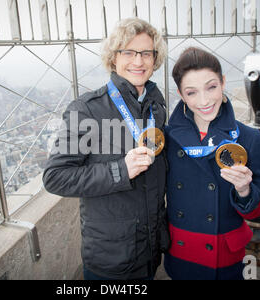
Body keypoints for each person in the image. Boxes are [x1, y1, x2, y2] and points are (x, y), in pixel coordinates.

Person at [42, 18, 170, 280]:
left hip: (150, 249)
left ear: (155, 59)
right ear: (114, 58)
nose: (138, 61)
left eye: (146, 53)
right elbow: (55, 177)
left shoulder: (156, 104)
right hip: (111, 258)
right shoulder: (87, 109)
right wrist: (121, 170)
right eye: (129, 52)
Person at [164, 47, 260, 280]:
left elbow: (255, 212)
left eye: (211, 87)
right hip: (182, 249)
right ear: (181, 95)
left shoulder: (249, 138)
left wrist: (244, 190)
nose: (204, 100)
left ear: (223, 82)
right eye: (191, 92)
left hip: (225, 257)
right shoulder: (167, 139)